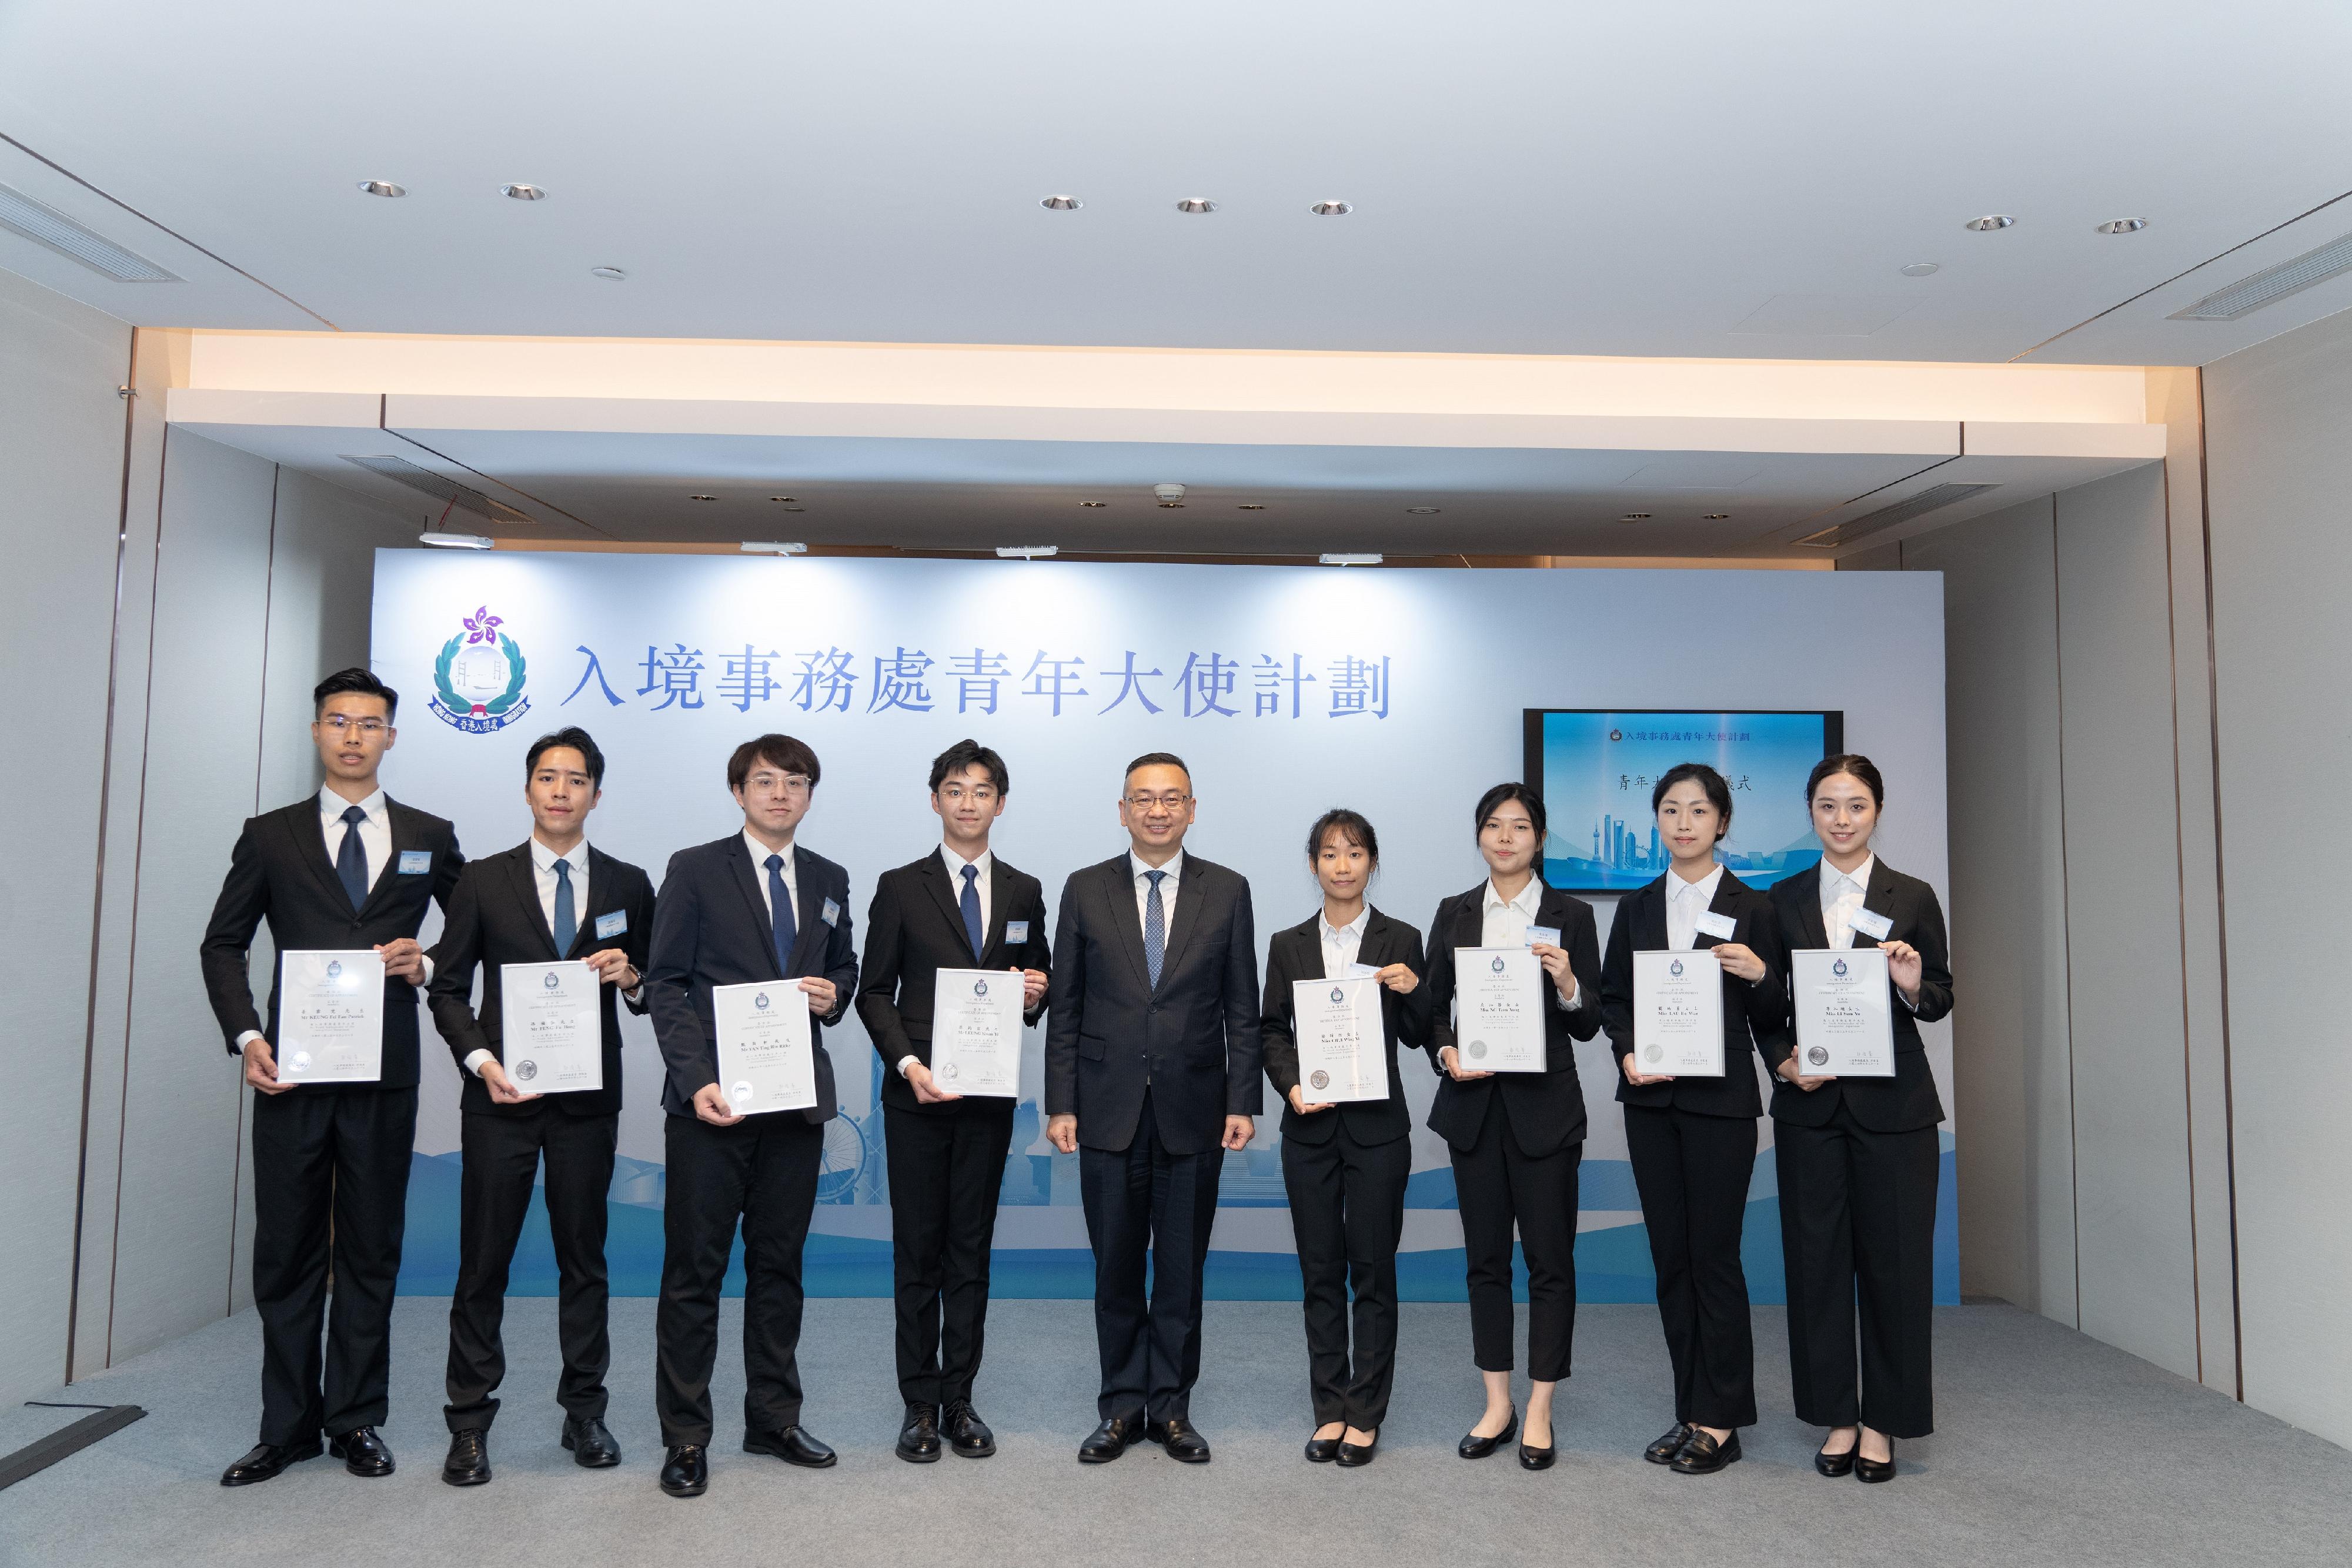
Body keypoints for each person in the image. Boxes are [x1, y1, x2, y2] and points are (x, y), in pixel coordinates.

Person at [200, 668, 465, 1486]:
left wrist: (428, 961)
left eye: (370, 722)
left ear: (392, 735)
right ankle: (286, 1426)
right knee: (285, 1249)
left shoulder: (431, 831)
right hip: (292, 1071)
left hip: (385, 1073)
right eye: (339, 720)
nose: (354, 734)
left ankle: (355, 1418)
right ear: (317, 731)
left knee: (371, 1248)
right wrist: (247, 1033)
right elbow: (223, 942)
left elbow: (480, 928)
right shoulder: (270, 833)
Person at [425, 727, 656, 1486]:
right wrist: (482, 1061)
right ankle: (469, 1421)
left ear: (596, 792)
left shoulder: (629, 883)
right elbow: (449, 986)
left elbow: (656, 986)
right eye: (548, 777)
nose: (561, 790)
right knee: (483, 1260)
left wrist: (630, 977)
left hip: (587, 1101)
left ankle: (584, 1409)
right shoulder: (483, 880)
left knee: (583, 1258)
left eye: (577, 778)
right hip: (502, 1097)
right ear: (527, 789)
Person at [642, 734, 860, 1499]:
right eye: (765, 781)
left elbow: (843, 968)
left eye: (795, 781)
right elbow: (665, 983)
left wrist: (838, 991)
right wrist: (696, 1078)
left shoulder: (829, 877)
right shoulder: (696, 868)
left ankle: (772, 1416)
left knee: (779, 1267)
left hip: (794, 1105)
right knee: (694, 1272)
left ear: (808, 793)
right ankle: (686, 1435)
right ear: (738, 790)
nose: (780, 793)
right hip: (712, 1106)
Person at [1044, 752, 1261, 1465]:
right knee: (1113, 1268)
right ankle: (1119, 1408)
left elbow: (1240, 1007)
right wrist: (1061, 1102)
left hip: (1195, 1110)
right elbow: (1066, 1008)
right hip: (1103, 1111)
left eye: (1172, 799)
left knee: (1179, 1269)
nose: (1158, 810)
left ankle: (1170, 1409)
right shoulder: (1083, 889)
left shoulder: (1227, 890)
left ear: (1193, 810)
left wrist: (1242, 1100)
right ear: (1122, 810)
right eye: (1144, 798)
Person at [856, 739, 1053, 1463]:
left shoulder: (1027, 890)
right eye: (954, 790)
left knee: (970, 1250)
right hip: (917, 1096)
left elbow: (1041, 977)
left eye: (981, 791)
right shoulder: (901, 886)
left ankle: (960, 1398)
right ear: (934, 799)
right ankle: (918, 1406)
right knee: (918, 1253)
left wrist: (1035, 992)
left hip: (987, 1100)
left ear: (1001, 803)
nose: (968, 803)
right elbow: (873, 991)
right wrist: (908, 1063)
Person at [1763, 753, 1953, 1485]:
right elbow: (1764, 1008)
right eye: (1827, 806)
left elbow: (1938, 992)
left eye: (1856, 806)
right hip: (1810, 1108)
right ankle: (1837, 1415)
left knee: (1896, 1269)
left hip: (1895, 1110)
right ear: (1810, 813)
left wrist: (1910, 986)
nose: (1841, 820)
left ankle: (1885, 1424)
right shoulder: (1779, 899)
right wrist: (1783, 1060)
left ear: (1877, 811)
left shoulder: (1913, 895)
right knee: (1815, 1269)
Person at [1596, 763, 1785, 1476]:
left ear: (1722, 823)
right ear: (1656, 821)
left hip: (1721, 1102)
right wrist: (1626, 1053)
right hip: (1651, 1102)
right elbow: (1615, 999)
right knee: (1670, 1260)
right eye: (1670, 810)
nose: (1683, 823)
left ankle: (1722, 1419)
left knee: (1714, 1258)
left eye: (1697, 811)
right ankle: (1689, 1408)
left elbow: (1775, 1015)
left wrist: (1760, 975)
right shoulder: (1638, 905)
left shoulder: (1753, 906)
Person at [1421, 781, 1601, 1471]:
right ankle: (1496, 1403)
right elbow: (1435, 1008)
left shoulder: (1570, 914)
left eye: (1519, 827)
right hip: (1474, 1111)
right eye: (1493, 825)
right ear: (1479, 836)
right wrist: (1445, 1050)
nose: (1505, 837)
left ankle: (1541, 1407)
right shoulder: (1455, 911)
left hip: (1545, 1113)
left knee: (1551, 1264)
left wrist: (1566, 983)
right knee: (1484, 1263)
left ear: (1540, 838)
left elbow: (1590, 1022)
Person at [1257, 808, 1430, 1469]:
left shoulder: (1401, 937)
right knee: (1320, 1271)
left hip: (1378, 1131)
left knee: (1374, 1271)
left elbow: (1417, 1032)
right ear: (1312, 866)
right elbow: (1271, 1031)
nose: (1342, 866)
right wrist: (1291, 1087)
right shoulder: (1287, 943)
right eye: (1329, 854)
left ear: (1372, 863)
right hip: (1309, 1127)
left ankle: (1366, 1413)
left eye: (1354, 854)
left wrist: (1415, 989)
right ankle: (1328, 1406)